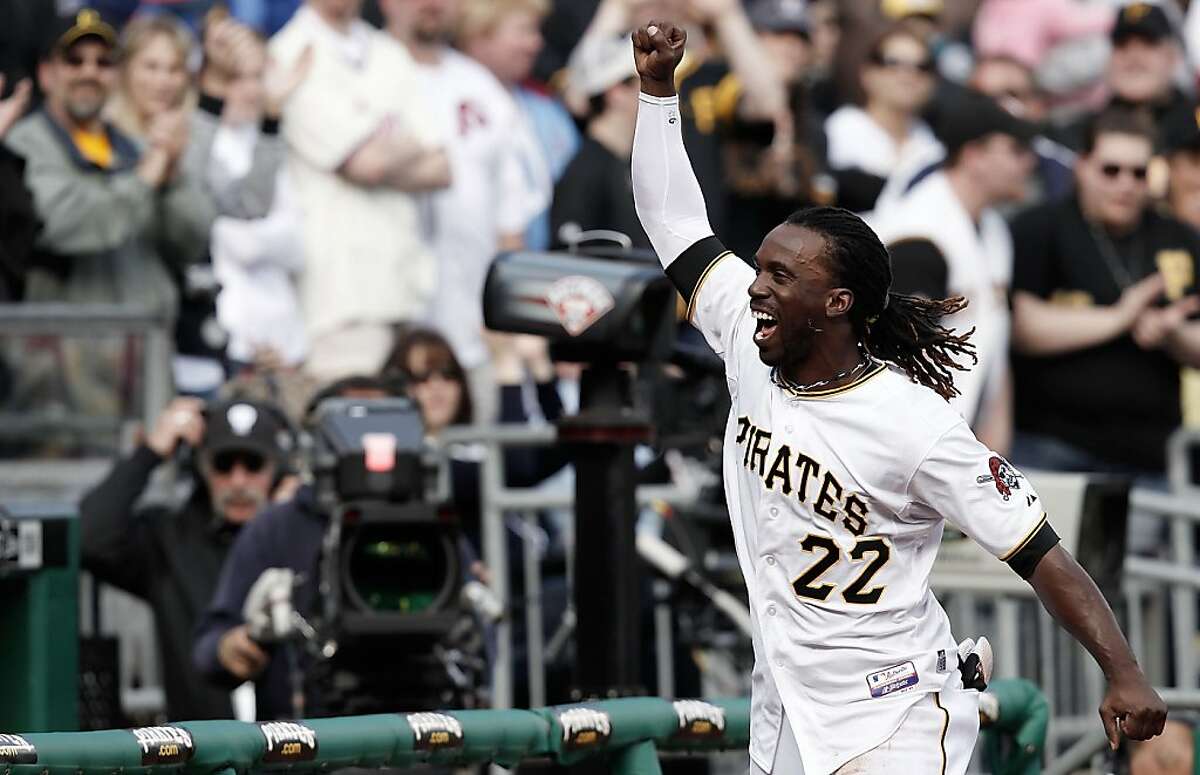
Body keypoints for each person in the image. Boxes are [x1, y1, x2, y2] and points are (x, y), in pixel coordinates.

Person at [631, 21, 1165, 775]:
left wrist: (1123, 669)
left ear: (839, 301)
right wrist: (657, 94)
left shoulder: (911, 420)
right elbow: (676, 222)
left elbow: (1038, 550)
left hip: (896, 714)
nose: (756, 284)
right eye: (761, 267)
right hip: (789, 704)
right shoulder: (752, 340)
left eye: (783, 275)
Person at [1009, 109, 1200, 480]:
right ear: (1082, 166)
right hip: (1052, 446)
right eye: (1111, 170)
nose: (1126, 184)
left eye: (1139, 173)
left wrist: (1170, 333)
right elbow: (1024, 328)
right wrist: (1121, 317)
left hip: (1151, 453)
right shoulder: (1039, 227)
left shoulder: (1178, 236)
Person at [380, 0, 547, 423]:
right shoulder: (365, 71)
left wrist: (507, 321)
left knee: (483, 472)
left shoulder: (481, 88)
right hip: (388, 320)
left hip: (474, 328)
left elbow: (511, 222)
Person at [269, 0, 450, 383]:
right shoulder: (288, 52)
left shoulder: (389, 51)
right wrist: (399, 141)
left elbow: (442, 167)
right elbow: (366, 164)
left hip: (406, 288)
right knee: (355, 428)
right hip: (338, 299)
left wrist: (379, 151)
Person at [80, 396, 292, 720]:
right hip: (203, 755)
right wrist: (150, 453)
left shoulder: (299, 537)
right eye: (223, 464)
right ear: (201, 467)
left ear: (276, 470)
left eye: (253, 465)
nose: (238, 481)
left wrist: (299, 511)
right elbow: (88, 536)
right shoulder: (171, 540)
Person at [871, 91, 1036, 453]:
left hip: (950, 444)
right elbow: (892, 355)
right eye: (1016, 150)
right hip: (898, 445)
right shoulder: (921, 227)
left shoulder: (994, 230)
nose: (1029, 162)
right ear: (974, 155)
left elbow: (994, 339)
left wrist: (992, 452)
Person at [457, 0, 578, 252]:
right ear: (478, 36)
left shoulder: (549, 113)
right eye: (524, 31)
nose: (536, 43)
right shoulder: (449, 104)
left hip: (546, 270)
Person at [823, 24, 941, 214]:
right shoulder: (841, 129)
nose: (908, 76)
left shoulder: (932, 147)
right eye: (893, 63)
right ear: (867, 73)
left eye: (921, 67)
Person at [550, 34, 651, 252]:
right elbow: (567, 257)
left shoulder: (622, 162)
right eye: (646, 81)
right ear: (616, 93)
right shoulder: (586, 171)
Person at [1059, 2, 1195, 152]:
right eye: (1122, 45)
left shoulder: (1194, 129)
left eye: (1148, 44)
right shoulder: (1079, 134)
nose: (1134, 57)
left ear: (1172, 58)